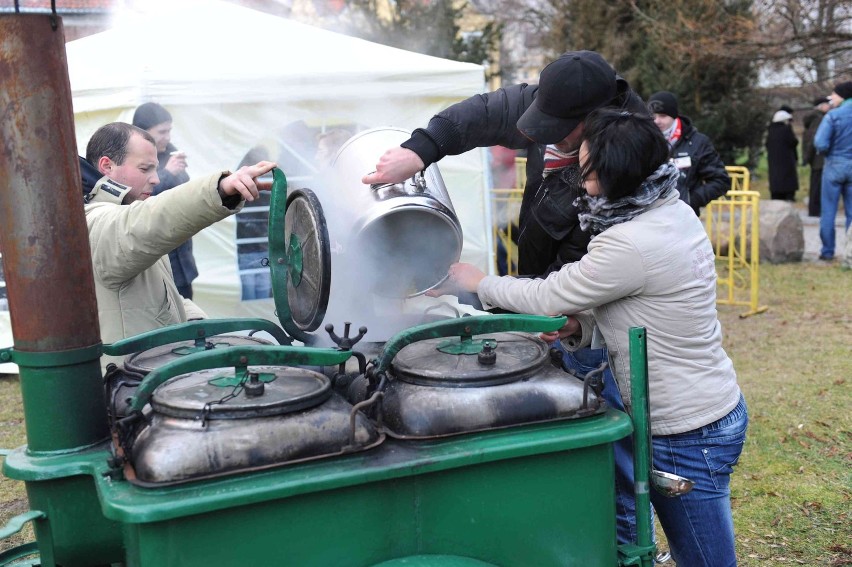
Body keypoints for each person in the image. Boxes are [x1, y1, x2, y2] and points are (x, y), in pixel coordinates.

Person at [432, 109, 747, 566]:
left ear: (616, 172)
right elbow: (649, 304)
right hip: (710, 403)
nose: (578, 174)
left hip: (684, 429)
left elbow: (549, 293)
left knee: (705, 559)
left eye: (586, 166)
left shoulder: (628, 242)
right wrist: (580, 327)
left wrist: (479, 282)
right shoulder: (671, 209)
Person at [363, 50, 647, 545]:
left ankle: (620, 542)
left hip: (588, 314)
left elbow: (581, 282)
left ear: (594, 122)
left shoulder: (624, 162)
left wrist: (490, 291)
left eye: (560, 128)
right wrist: (419, 151)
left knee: (606, 432)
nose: (543, 134)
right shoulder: (555, 101)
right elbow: (479, 115)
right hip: (542, 293)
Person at [81, 122, 275, 354]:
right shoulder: (94, 221)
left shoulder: (124, 213)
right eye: (145, 169)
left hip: (145, 369)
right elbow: (148, 220)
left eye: (155, 169)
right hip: (129, 380)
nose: (156, 180)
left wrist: (196, 323)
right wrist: (220, 189)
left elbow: (158, 297)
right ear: (107, 166)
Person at [132, 102, 198, 299]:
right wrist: (168, 173)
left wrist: (178, 173)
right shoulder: (130, 158)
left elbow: (185, 191)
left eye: (169, 130)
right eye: (162, 131)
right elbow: (137, 197)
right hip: (156, 262)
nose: (167, 137)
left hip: (182, 258)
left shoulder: (170, 151)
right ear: (143, 132)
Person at [647, 91, 731, 215]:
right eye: (653, 116)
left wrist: (692, 200)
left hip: (683, 219)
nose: (657, 121)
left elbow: (721, 181)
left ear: (674, 115)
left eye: (663, 116)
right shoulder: (644, 141)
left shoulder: (698, 142)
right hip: (649, 217)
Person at [814, 81, 852, 261]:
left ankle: (827, 251)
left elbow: (820, 143)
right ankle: (850, 253)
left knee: (829, 210)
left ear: (843, 96)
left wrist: (828, 152)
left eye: (835, 94)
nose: (832, 98)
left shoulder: (833, 116)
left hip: (834, 165)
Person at [802, 96, 832, 217]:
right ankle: (815, 210)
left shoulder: (813, 118)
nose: (829, 107)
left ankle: (814, 209)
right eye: (827, 104)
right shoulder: (819, 119)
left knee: (816, 183)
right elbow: (815, 139)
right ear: (821, 106)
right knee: (817, 185)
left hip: (814, 158)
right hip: (818, 158)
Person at [766, 109, 799, 201]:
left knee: (775, 177)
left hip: (773, 160)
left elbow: (767, 144)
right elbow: (793, 142)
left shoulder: (771, 130)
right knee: (787, 178)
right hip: (786, 159)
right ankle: (789, 195)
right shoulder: (786, 129)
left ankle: (775, 195)